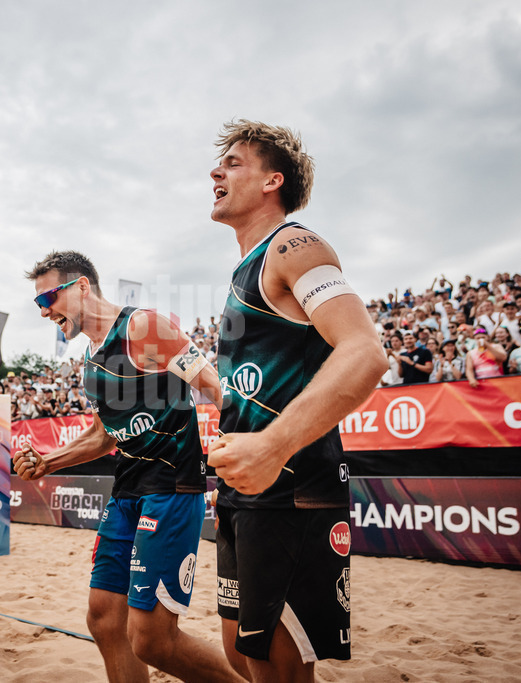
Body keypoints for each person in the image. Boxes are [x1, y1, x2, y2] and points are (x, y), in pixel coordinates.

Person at [205, 120, 386, 681]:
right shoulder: (245, 269)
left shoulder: (293, 244)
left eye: (234, 162)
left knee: (277, 665)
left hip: (291, 487)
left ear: (271, 181)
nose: (216, 170)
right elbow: (259, 383)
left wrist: (273, 443)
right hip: (246, 490)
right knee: (240, 652)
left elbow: (365, 352)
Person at [13, 251, 239, 683]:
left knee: (152, 641)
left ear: (81, 286)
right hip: (127, 491)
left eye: (47, 299)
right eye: (37, 305)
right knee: (103, 620)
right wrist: (48, 462)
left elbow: (214, 389)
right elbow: (104, 436)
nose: (44, 312)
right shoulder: (91, 363)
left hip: (171, 488)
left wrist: (259, 446)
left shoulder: (143, 327)